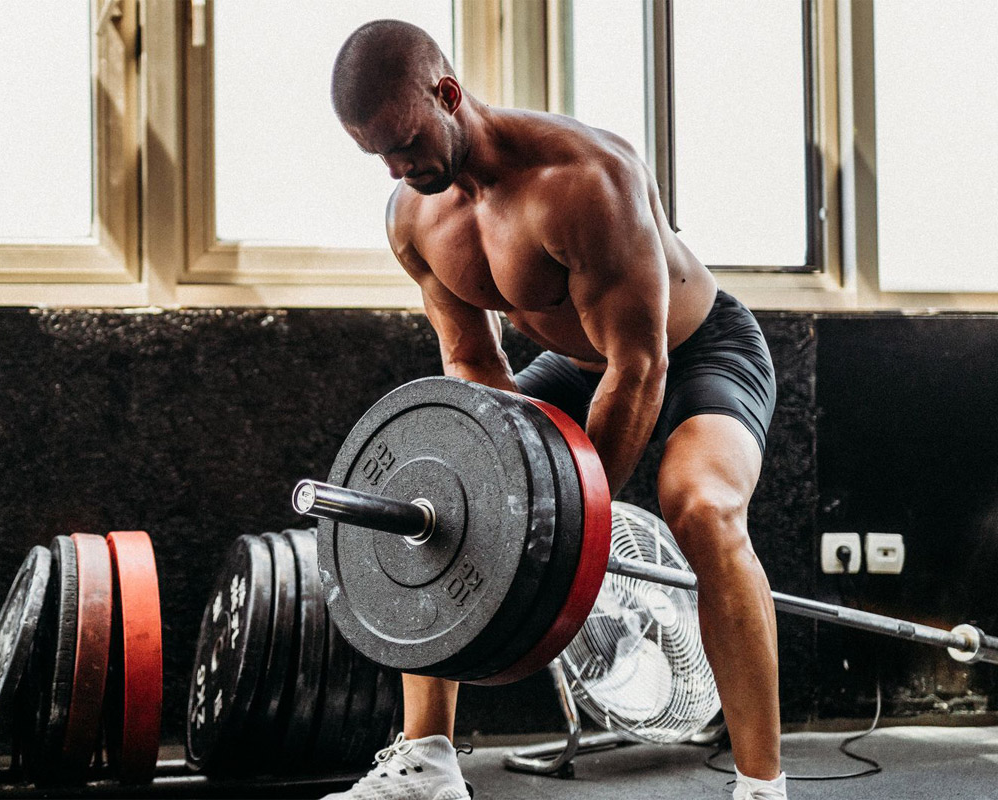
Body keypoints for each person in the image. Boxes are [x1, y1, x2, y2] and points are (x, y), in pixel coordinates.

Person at [326, 19, 785, 800]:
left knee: (702, 509)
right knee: (431, 493)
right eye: (380, 156)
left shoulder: (584, 179)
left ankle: (761, 785)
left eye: (406, 142)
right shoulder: (414, 219)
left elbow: (641, 367)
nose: (400, 167)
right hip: (576, 368)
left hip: (698, 352)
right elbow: (472, 363)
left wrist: (573, 530)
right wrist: (493, 499)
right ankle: (427, 762)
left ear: (447, 93)